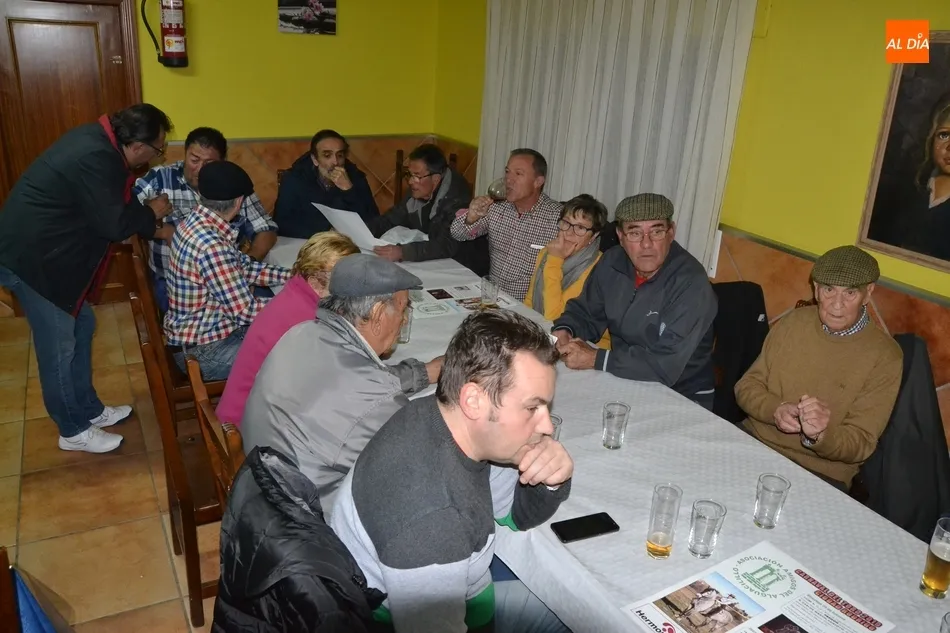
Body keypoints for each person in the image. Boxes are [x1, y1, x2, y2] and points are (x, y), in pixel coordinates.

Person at [331, 309, 573, 633]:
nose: (547, 427)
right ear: (473, 400)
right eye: (532, 407)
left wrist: (552, 480)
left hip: (469, 601)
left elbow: (515, 514)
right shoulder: (432, 521)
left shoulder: (441, 418)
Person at [0, 104, 173, 453]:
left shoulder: (101, 144)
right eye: (158, 150)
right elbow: (114, 224)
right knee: (59, 345)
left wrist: (144, 218)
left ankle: (89, 409)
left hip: (43, 252)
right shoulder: (96, 155)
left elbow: (111, 207)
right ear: (138, 146)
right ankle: (72, 430)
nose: (156, 157)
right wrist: (151, 212)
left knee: (82, 326)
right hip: (32, 260)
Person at [241, 253, 443, 509]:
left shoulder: (302, 332)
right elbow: (419, 460)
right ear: (378, 314)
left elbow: (350, 384)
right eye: (403, 309)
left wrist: (427, 371)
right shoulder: (372, 396)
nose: (403, 320)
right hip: (305, 518)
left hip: (261, 483)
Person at [735, 245, 902, 491]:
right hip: (753, 440)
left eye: (850, 293)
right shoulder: (794, 322)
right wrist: (775, 409)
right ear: (816, 289)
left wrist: (820, 436)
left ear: (868, 293)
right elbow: (746, 387)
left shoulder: (886, 356)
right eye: (829, 290)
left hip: (820, 472)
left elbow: (861, 442)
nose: (836, 305)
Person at [553, 194, 718, 409]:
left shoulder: (691, 283)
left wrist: (596, 359)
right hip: (623, 378)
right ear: (620, 236)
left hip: (681, 395)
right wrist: (566, 329)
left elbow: (664, 365)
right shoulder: (612, 261)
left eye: (656, 232)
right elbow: (587, 313)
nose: (646, 244)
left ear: (671, 233)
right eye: (635, 233)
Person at [164, 161, 291, 380]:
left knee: (286, 333)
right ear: (239, 202)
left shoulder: (195, 223)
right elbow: (245, 311)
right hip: (205, 352)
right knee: (293, 354)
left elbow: (245, 268)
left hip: (202, 337)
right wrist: (298, 302)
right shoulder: (212, 246)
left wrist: (295, 276)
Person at [216, 231, 359, 425]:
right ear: (316, 280)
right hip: (249, 426)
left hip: (240, 412)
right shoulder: (308, 322)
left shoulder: (297, 292)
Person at [133, 127, 278, 312]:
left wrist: (248, 264)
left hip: (230, 276)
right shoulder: (159, 180)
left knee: (282, 301)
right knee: (264, 315)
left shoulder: (231, 182)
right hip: (175, 282)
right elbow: (124, 218)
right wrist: (162, 230)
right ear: (185, 154)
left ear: (222, 162)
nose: (200, 169)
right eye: (194, 160)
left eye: (209, 163)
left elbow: (265, 227)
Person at [450, 149, 562, 301]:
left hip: (527, 306)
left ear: (538, 182)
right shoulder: (497, 207)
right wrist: (471, 218)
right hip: (491, 298)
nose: (509, 179)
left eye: (518, 174)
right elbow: (457, 234)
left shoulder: (557, 218)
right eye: (507, 172)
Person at [369, 144, 488, 272]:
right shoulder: (419, 189)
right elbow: (391, 218)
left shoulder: (457, 200)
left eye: (417, 176)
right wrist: (363, 231)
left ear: (436, 179)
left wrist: (403, 252)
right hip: (433, 260)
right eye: (409, 174)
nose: (411, 181)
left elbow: (445, 244)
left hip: (463, 267)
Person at [525, 194, 611, 350]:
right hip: (543, 334)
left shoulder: (599, 267)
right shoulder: (548, 252)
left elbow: (555, 318)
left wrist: (555, 261)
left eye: (580, 228)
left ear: (594, 236)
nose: (569, 233)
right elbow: (530, 300)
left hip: (586, 345)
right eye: (566, 223)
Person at [274, 129, 379, 238]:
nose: (335, 162)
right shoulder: (294, 179)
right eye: (327, 155)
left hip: (348, 242)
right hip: (307, 242)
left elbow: (374, 221)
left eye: (340, 155)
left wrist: (349, 190)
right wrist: (325, 233)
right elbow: (282, 223)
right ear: (315, 159)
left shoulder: (356, 177)